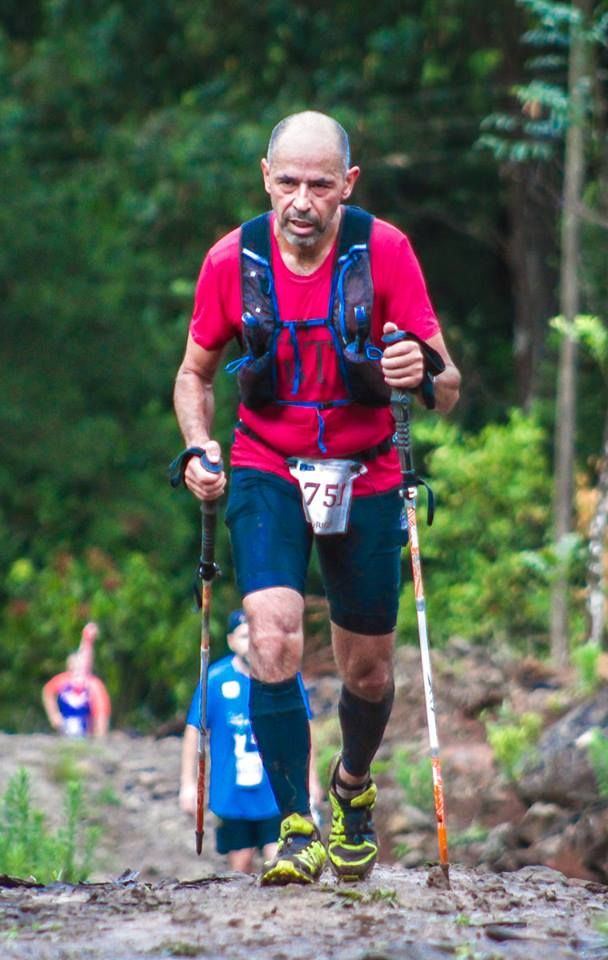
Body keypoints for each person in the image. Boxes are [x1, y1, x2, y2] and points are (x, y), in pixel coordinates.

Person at [172, 110, 461, 886]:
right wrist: (200, 446)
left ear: (348, 186)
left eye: (320, 185)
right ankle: (295, 825)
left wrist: (418, 375)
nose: (302, 201)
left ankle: (351, 790)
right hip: (266, 461)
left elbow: (449, 382)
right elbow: (195, 374)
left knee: (366, 670)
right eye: (289, 182)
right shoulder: (231, 260)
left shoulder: (385, 252)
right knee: (272, 637)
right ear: (266, 175)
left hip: (366, 468)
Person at [179, 609, 321, 873]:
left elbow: (303, 729)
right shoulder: (216, 680)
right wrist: (188, 785)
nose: (251, 643)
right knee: (240, 864)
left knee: (280, 858)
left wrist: (311, 781)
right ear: (232, 641)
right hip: (232, 794)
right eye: (244, 636)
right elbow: (194, 730)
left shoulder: (284, 679)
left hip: (276, 792)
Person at [42, 621, 111, 737]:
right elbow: (47, 691)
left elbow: (102, 713)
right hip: (65, 732)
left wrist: (100, 736)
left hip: (87, 734)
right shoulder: (63, 681)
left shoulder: (94, 686)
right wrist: (53, 715)